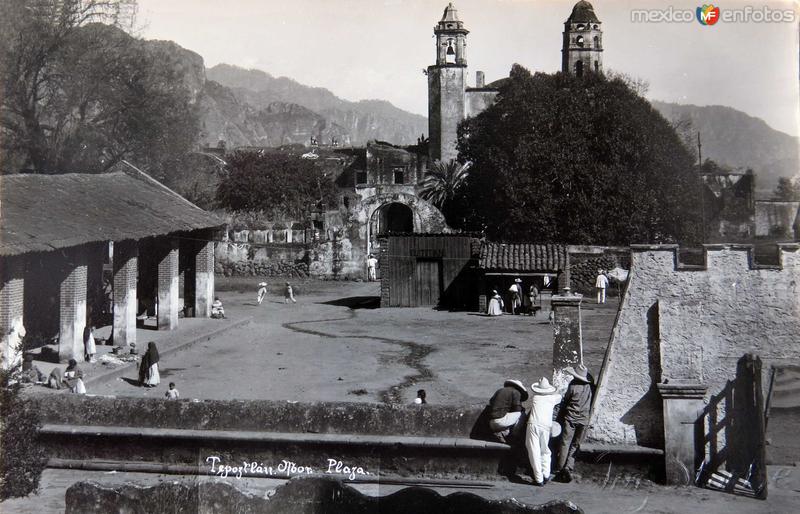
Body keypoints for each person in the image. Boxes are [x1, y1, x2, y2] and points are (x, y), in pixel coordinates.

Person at [554, 364, 593, 483]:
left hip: (571, 418)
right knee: (575, 445)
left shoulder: (573, 386)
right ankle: (568, 467)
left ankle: (559, 468)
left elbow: (565, 401)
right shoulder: (590, 387)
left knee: (565, 443)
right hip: (584, 420)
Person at [525, 377, 562, 486]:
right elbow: (560, 396)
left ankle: (538, 478)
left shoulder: (535, 398)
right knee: (545, 449)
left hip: (534, 424)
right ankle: (546, 474)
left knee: (534, 450)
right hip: (546, 426)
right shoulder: (552, 398)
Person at [487, 379, 528, 444]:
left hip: (491, 422)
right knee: (521, 414)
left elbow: (491, 402)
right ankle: (514, 437)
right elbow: (517, 408)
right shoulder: (516, 392)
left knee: (512, 416)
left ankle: (502, 433)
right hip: (500, 421)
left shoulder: (499, 390)